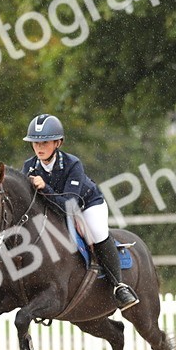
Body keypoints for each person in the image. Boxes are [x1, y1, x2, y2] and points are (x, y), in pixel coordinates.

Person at [21, 113, 139, 310]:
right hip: (53, 209)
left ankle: (119, 286)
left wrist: (45, 188)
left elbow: (69, 205)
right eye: (35, 143)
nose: (39, 148)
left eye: (45, 143)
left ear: (58, 143)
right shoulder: (29, 166)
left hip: (86, 205)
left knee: (97, 233)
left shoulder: (72, 163)